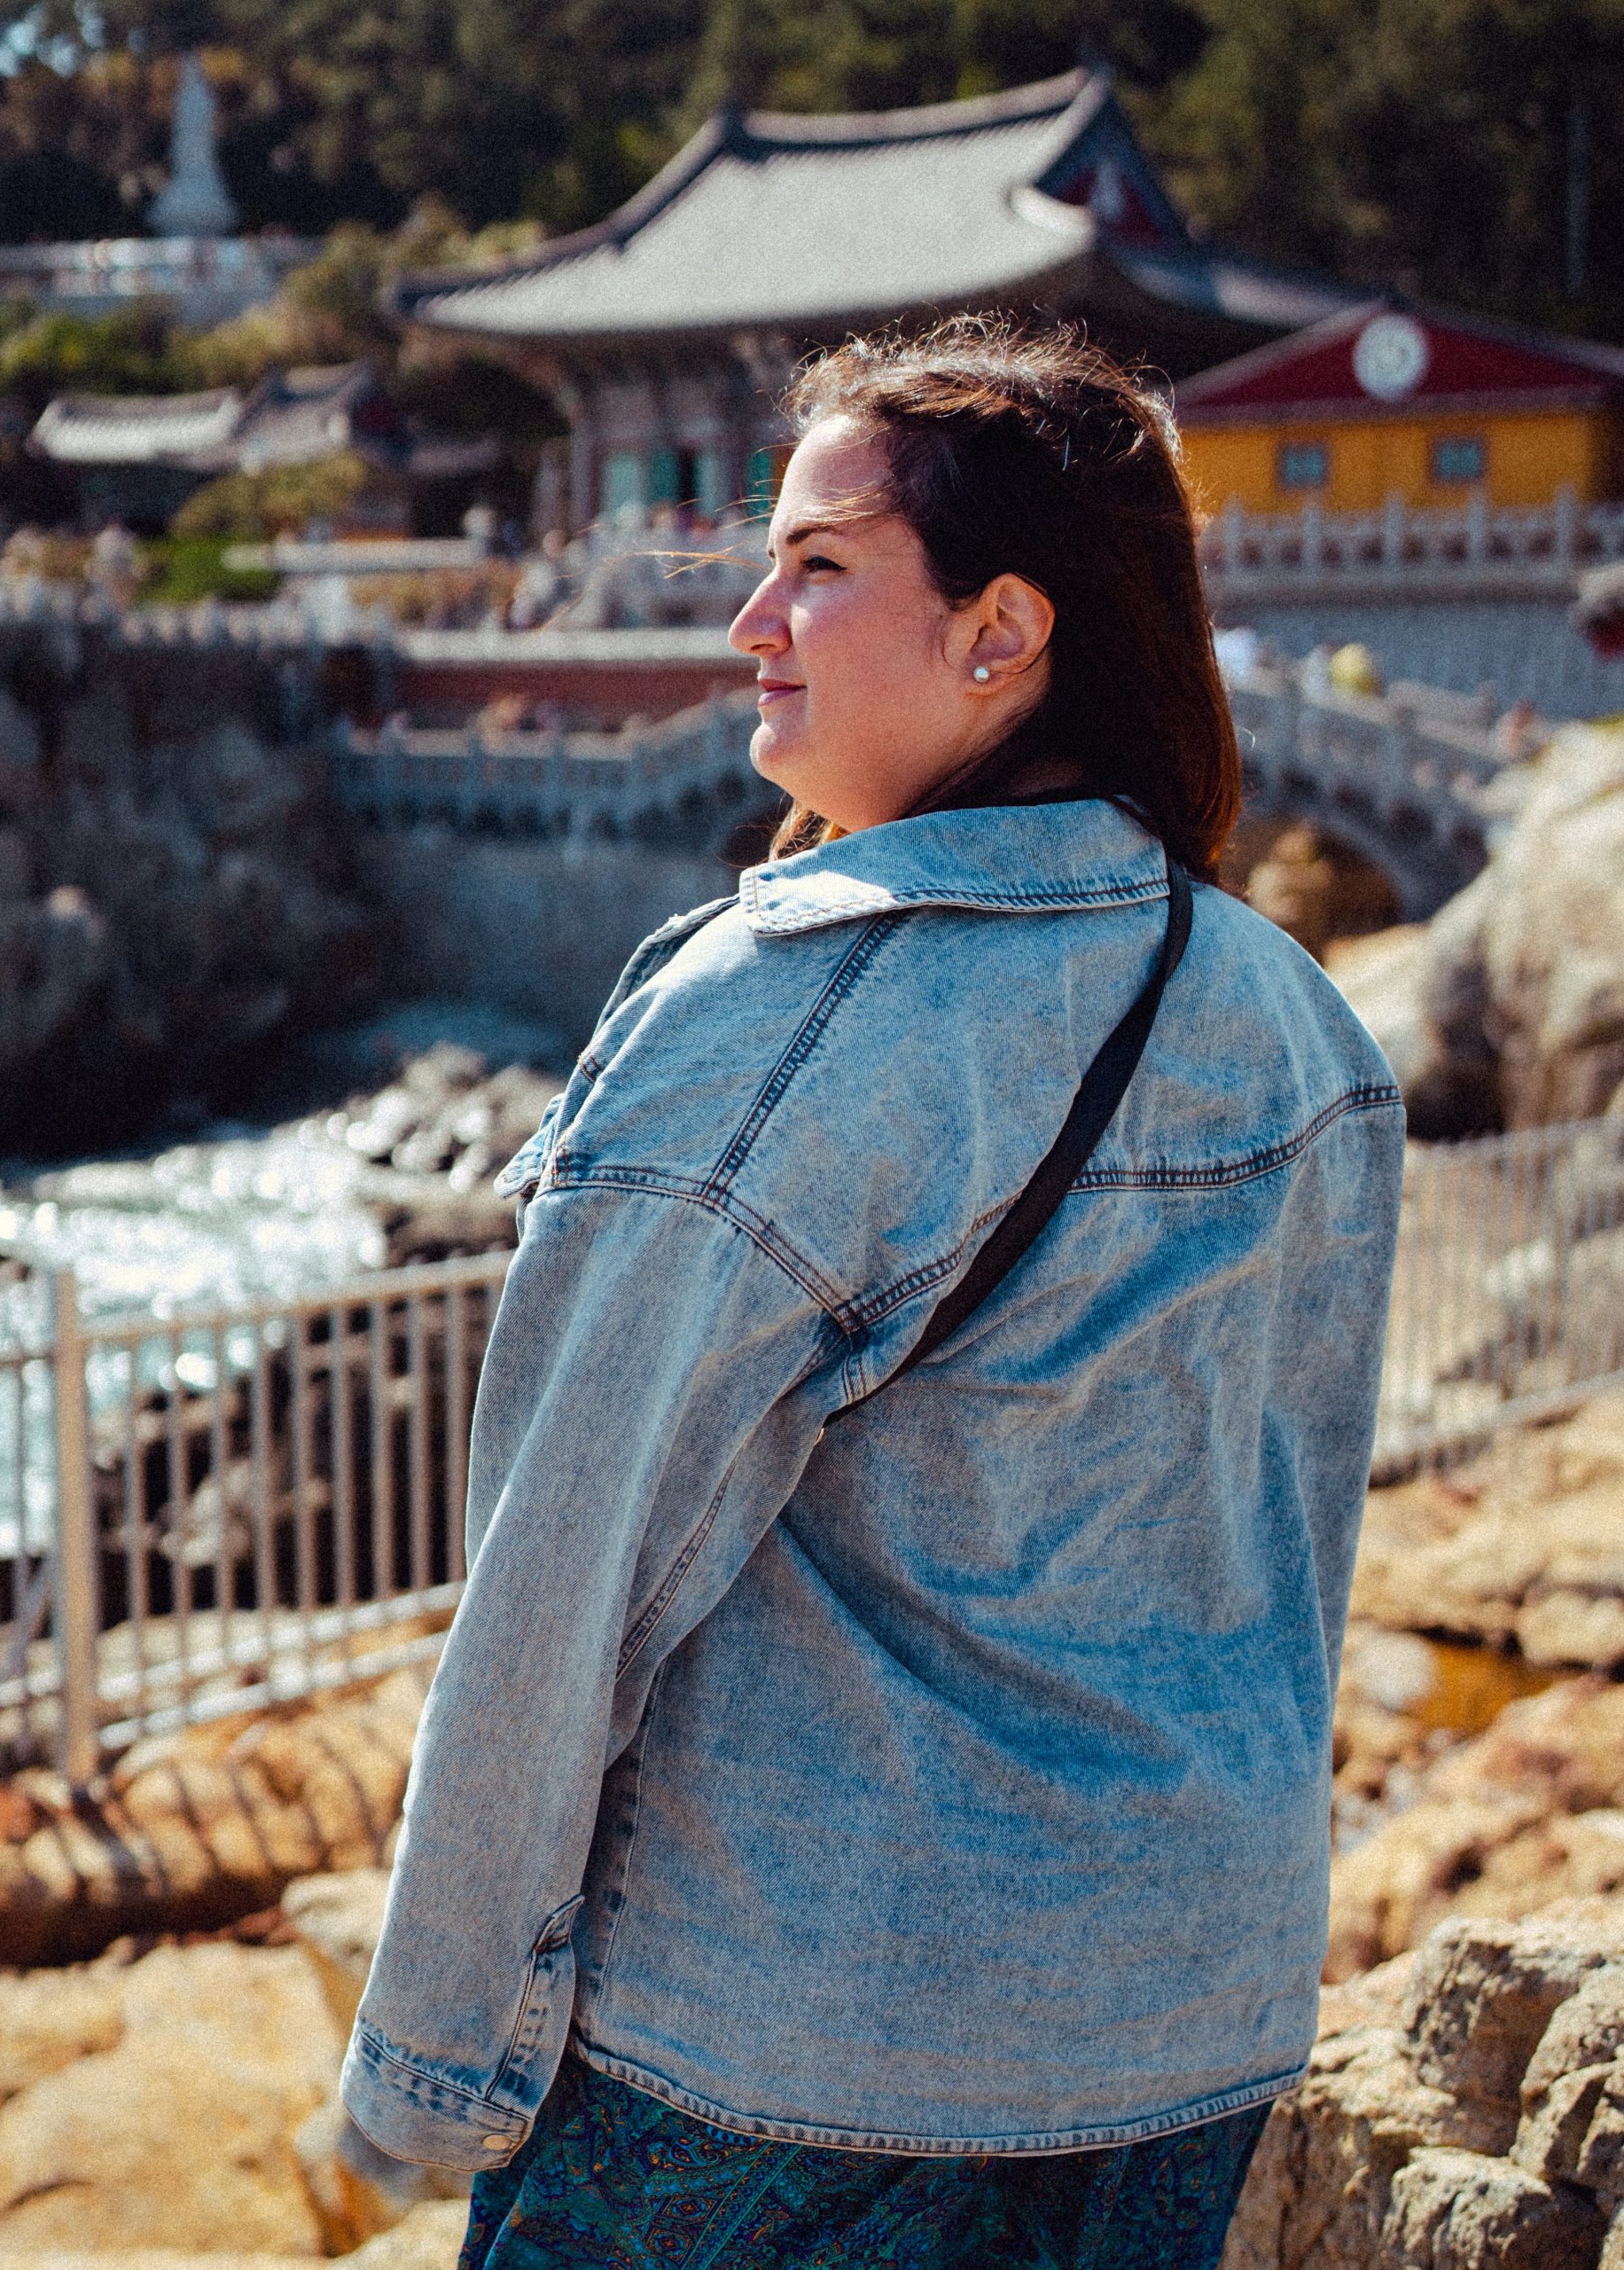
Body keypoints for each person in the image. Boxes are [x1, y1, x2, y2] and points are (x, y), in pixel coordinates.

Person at [337, 318, 1406, 2268]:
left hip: (803, 2032)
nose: (750, 614)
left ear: (1002, 631)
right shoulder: (1296, 1019)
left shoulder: (780, 1014)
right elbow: (1278, 1556)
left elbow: (563, 1581)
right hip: (1186, 2011)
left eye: (818, 565)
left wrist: (433, 2061)